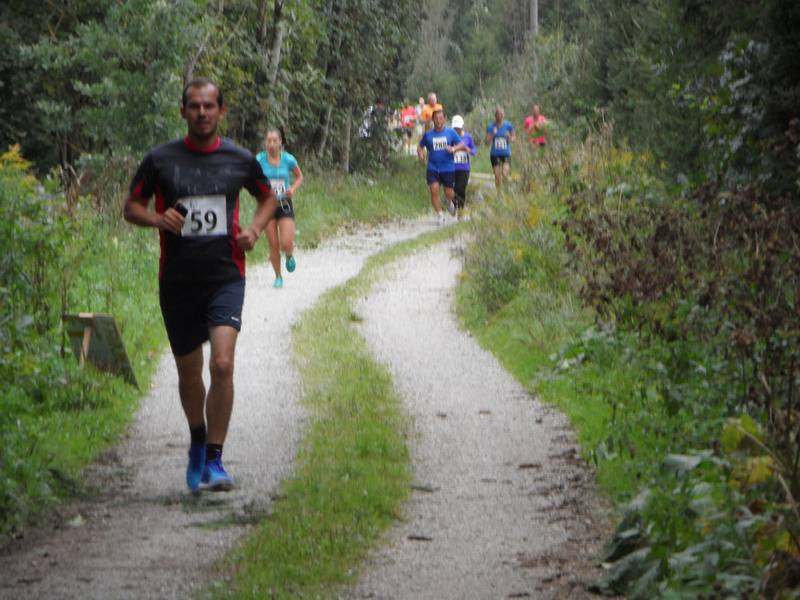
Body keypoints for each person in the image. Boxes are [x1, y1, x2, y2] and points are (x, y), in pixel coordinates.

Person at [123, 78, 277, 493]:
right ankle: (196, 440)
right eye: (195, 106)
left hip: (225, 276)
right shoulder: (160, 160)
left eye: (209, 106)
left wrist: (255, 230)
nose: (202, 113)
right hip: (178, 280)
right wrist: (157, 219)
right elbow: (131, 207)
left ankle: (214, 459)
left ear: (221, 111)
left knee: (222, 364)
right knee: (189, 374)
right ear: (183, 112)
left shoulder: (240, 159)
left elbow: (268, 197)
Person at [255, 127, 304, 289]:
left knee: (286, 242)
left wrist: (293, 189)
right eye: (268, 141)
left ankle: (289, 254)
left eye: (274, 141)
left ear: (280, 142)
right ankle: (278, 277)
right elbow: (252, 178)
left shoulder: (288, 159)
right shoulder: (259, 160)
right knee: (273, 243)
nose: (271, 144)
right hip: (266, 205)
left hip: (284, 203)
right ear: (265, 143)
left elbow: (299, 177)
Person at [417, 108, 466, 226]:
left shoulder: (451, 133)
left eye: (440, 118)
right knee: (434, 190)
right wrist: (421, 154)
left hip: (448, 167)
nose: (438, 121)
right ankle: (440, 216)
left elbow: (462, 144)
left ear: (444, 119)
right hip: (433, 167)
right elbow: (420, 146)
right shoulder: (428, 135)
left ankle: (450, 202)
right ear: (432, 120)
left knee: (449, 193)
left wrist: (453, 148)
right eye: (436, 118)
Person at [451, 115, 477, 221]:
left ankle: (460, 211)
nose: (456, 130)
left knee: (461, 188)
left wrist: (467, 149)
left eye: (458, 128)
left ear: (462, 126)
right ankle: (454, 205)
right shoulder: (450, 137)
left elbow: (474, 151)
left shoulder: (468, 137)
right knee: (452, 188)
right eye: (455, 128)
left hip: (464, 168)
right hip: (451, 167)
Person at [485, 106, 515, 193]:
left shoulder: (508, 125)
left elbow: (514, 138)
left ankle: (506, 191)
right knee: (497, 176)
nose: (500, 116)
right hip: (495, 154)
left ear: (504, 115)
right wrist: (492, 134)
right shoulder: (491, 126)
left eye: (502, 114)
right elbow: (487, 143)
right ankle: (499, 193)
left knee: (505, 174)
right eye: (498, 114)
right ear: (495, 116)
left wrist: (509, 137)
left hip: (506, 153)